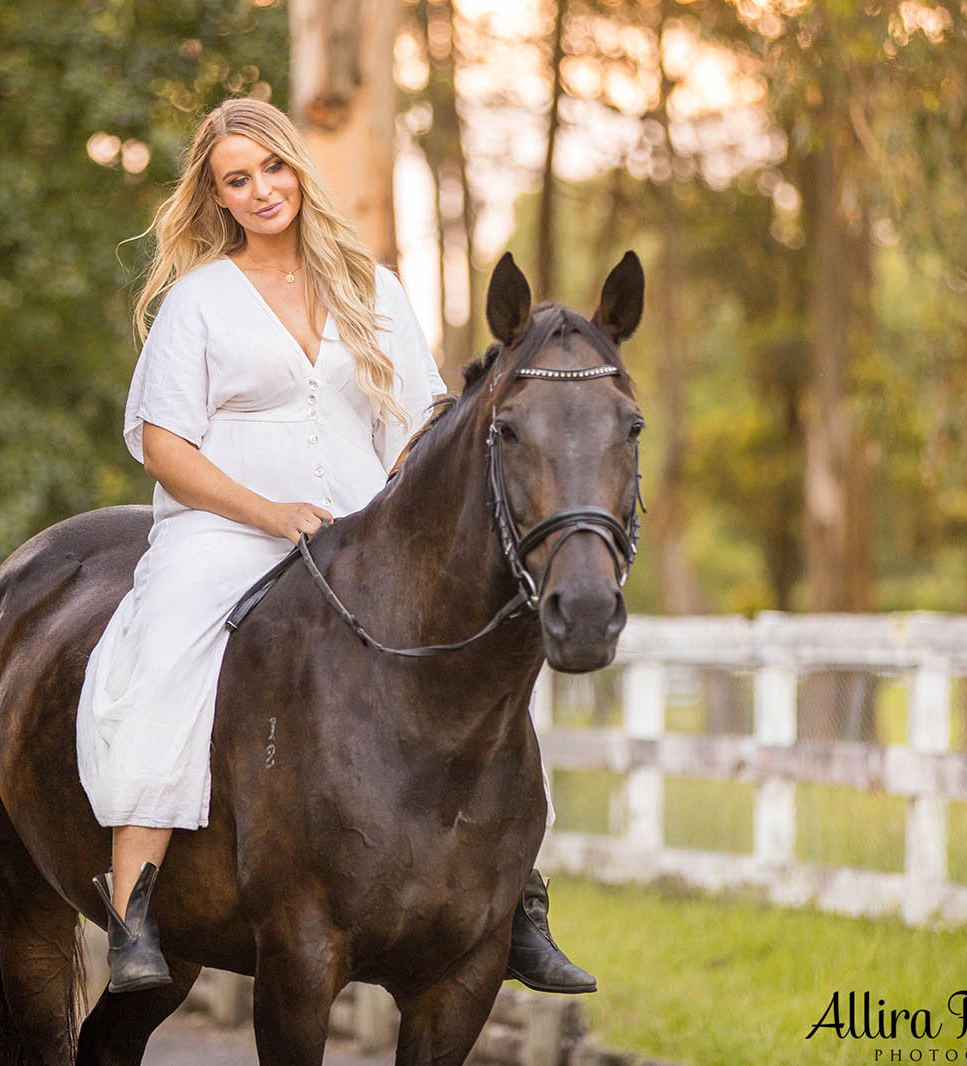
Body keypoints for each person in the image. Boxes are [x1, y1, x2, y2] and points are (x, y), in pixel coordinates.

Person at [75, 97, 594, 997]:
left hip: (366, 528)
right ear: (218, 197)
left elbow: (415, 429)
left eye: (272, 169)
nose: (262, 190)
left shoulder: (375, 289)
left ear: (296, 171)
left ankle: (515, 896)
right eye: (238, 180)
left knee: (476, 661)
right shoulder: (198, 302)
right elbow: (163, 445)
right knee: (163, 653)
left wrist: (398, 507)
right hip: (226, 529)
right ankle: (135, 908)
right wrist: (267, 511)